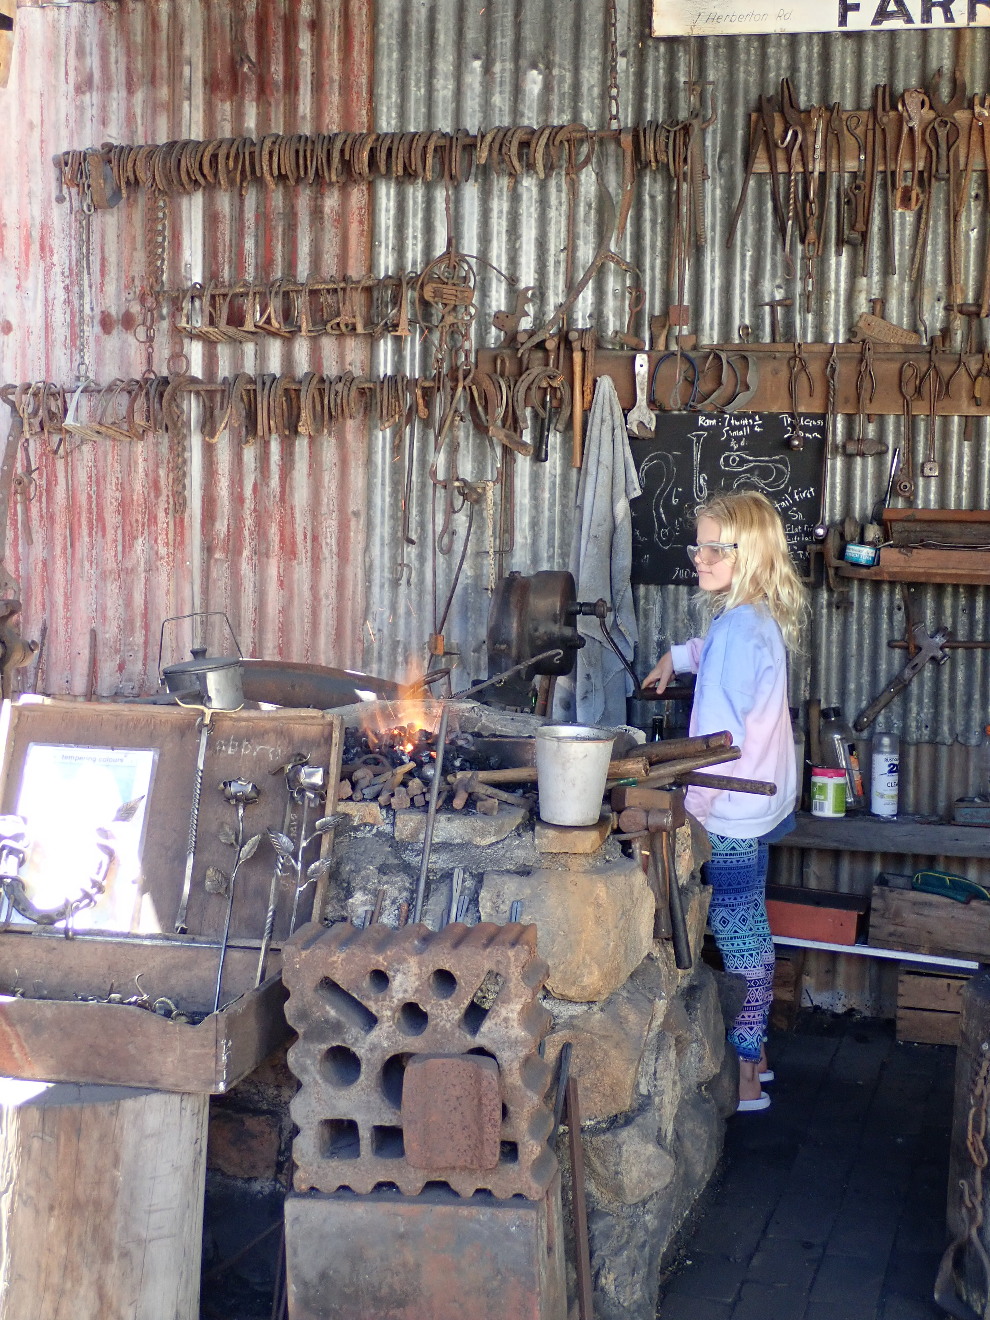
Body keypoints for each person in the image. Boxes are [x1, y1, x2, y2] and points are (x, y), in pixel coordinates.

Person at [642, 490, 807, 1113]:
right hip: (762, 804)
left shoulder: (739, 630)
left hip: (733, 812)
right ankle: (757, 1058)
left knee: (741, 937)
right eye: (699, 546)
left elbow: (717, 747)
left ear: (751, 554)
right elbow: (712, 650)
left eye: (717, 548)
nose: (701, 558)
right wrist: (676, 656)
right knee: (749, 925)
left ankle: (745, 1071)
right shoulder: (750, 618)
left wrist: (691, 816)